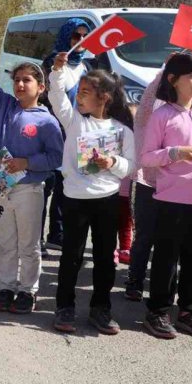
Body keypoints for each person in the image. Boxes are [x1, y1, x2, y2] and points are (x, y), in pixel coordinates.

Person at [0, 32, 63, 314]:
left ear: (40, 87)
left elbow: (56, 157)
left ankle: (27, 291)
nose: (19, 84)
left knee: (28, 246)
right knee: (5, 244)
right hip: (0, 188)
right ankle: (5, 288)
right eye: (16, 80)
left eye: (26, 80)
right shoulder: (4, 105)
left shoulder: (47, 122)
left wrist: (26, 162)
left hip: (29, 190)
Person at [49, 59, 135, 335]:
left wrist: (113, 163)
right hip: (74, 199)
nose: (80, 96)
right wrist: (57, 71)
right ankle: (64, 307)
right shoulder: (74, 120)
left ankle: (101, 307)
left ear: (104, 98)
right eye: (80, 90)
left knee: (103, 257)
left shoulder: (122, 131)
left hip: (107, 200)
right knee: (71, 256)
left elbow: (131, 167)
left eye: (86, 92)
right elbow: (57, 96)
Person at [139, 52, 192, 340]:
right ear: (173, 80)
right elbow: (146, 158)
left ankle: (190, 311)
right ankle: (158, 311)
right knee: (167, 259)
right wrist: (174, 153)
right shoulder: (162, 115)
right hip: (170, 201)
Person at [40, 18, 92, 250]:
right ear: (66, 37)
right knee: (45, 185)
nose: (80, 41)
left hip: (77, 132)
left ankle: (57, 234)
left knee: (65, 185)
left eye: (84, 36)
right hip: (52, 130)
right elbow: (45, 96)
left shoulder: (88, 66)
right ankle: (35, 236)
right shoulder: (53, 62)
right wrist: (57, 70)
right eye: (75, 36)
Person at [124, 71, 164, 300]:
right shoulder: (151, 113)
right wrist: (163, 72)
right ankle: (135, 279)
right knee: (145, 235)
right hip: (149, 181)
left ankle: (160, 283)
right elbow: (148, 99)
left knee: (169, 240)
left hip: (178, 187)